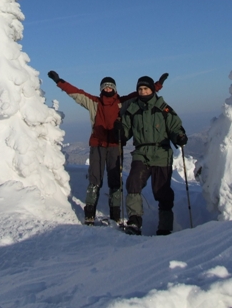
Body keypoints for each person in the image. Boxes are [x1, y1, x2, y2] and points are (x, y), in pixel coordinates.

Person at [47, 71, 167, 225]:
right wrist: (59, 81)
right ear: (102, 89)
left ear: (115, 89)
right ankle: (89, 213)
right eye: (105, 87)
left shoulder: (123, 102)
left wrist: (157, 85)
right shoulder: (94, 102)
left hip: (115, 145)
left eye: (111, 87)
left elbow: (141, 94)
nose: (108, 89)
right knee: (95, 179)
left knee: (115, 180)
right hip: (97, 144)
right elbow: (76, 93)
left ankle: (115, 214)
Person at [119, 75, 187, 236]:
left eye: (146, 89)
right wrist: (120, 132)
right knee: (133, 182)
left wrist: (179, 136)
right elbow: (126, 131)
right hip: (141, 153)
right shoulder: (133, 110)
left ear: (152, 90)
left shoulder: (163, 108)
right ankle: (134, 221)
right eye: (140, 89)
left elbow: (175, 126)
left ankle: (165, 227)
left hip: (161, 153)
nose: (142, 92)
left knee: (161, 191)